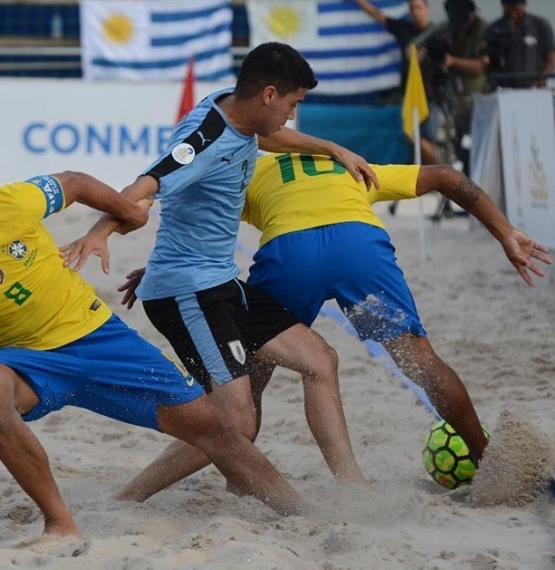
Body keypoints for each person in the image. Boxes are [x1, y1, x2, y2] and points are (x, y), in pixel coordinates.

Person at [0, 169, 314, 540]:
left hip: (98, 338)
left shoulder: (5, 205)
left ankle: (303, 515)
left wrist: (122, 209)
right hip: (26, 362)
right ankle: (60, 523)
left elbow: (72, 183)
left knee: (220, 431)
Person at [60, 42, 380, 503]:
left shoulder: (237, 109)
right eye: (293, 104)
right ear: (269, 94)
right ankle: (127, 500)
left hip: (219, 281)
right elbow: (145, 186)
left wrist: (332, 148)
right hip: (189, 293)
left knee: (320, 361)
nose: (292, 116)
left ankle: (355, 489)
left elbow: (265, 137)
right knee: (234, 425)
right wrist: (101, 230)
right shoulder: (204, 139)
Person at [117, 154, 552, 487]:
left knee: (254, 368)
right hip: (357, 244)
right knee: (417, 359)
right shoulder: (352, 166)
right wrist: (505, 233)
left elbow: (196, 220)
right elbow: (446, 176)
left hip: (291, 252)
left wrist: (161, 272)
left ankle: (240, 478)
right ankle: (484, 458)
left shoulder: (251, 170)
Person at [352, 0, 440, 165]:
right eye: (412, 8)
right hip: (408, 94)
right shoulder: (405, 29)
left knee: (431, 139)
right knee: (410, 135)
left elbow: (447, 61)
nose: (415, 11)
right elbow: (380, 17)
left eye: (419, 7)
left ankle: (444, 169)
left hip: (432, 95)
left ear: (427, 9)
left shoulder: (437, 33)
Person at [414, 0, 488, 174]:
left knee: (475, 144)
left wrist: (453, 62)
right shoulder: (445, 28)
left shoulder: (482, 29)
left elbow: (481, 66)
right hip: (452, 96)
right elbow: (415, 46)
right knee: (453, 142)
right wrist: (420, 53)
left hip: (477, 97)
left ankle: (472, 175)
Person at [480, 0, 555, 89]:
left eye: (517, 10)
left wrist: (539, 82)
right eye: (509, 11)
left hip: (534, 89)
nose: (514, 15)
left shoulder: (540, 25)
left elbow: (551, 61)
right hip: (503, 89)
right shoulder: (493, 29)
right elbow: (485, 61)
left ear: (524, 6)